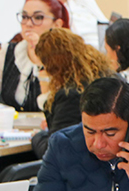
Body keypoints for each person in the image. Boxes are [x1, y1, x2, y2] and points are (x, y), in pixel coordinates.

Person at [31, 27, 113, 158]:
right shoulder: (107, 76)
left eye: (44, 66)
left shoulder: (70, 94)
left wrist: (38, 137)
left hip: (83, 166)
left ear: (54, 67)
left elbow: (53, 151)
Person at [0, 0, 69, 111]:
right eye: (24, 17)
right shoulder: (8, 52)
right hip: (11, 127)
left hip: (51, 128)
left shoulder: (67, 58)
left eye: (38, 17)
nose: (28, 23)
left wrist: (41, 55)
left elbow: (62, 107)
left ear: (57, 24)